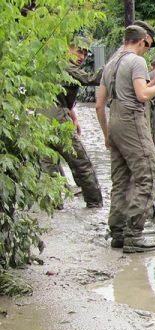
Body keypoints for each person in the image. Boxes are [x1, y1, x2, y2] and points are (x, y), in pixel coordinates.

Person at [95, 25, 155, 253]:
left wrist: (108, 135)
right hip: (131, 119)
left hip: (114, 121)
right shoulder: (136, 62)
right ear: (143, 40)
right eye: (148, 45)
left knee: (121, 180)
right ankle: (134, 235)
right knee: (147, 175)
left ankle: (117, 233)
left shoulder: (110, 63)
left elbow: (99, 105)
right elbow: (142, 95)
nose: (147, 50)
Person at [41, 37, 103, 208]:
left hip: (39, 121)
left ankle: (54, 206)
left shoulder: (49, 63)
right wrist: (115, 65)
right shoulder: (66, 66)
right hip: (56, 120)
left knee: (48, 166)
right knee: (81, 162)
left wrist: (73, 116)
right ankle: (95, 202)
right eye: (79, 51)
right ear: (67, 49)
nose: (82, 57)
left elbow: (59, 96)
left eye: (85, 53)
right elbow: (91, 79)